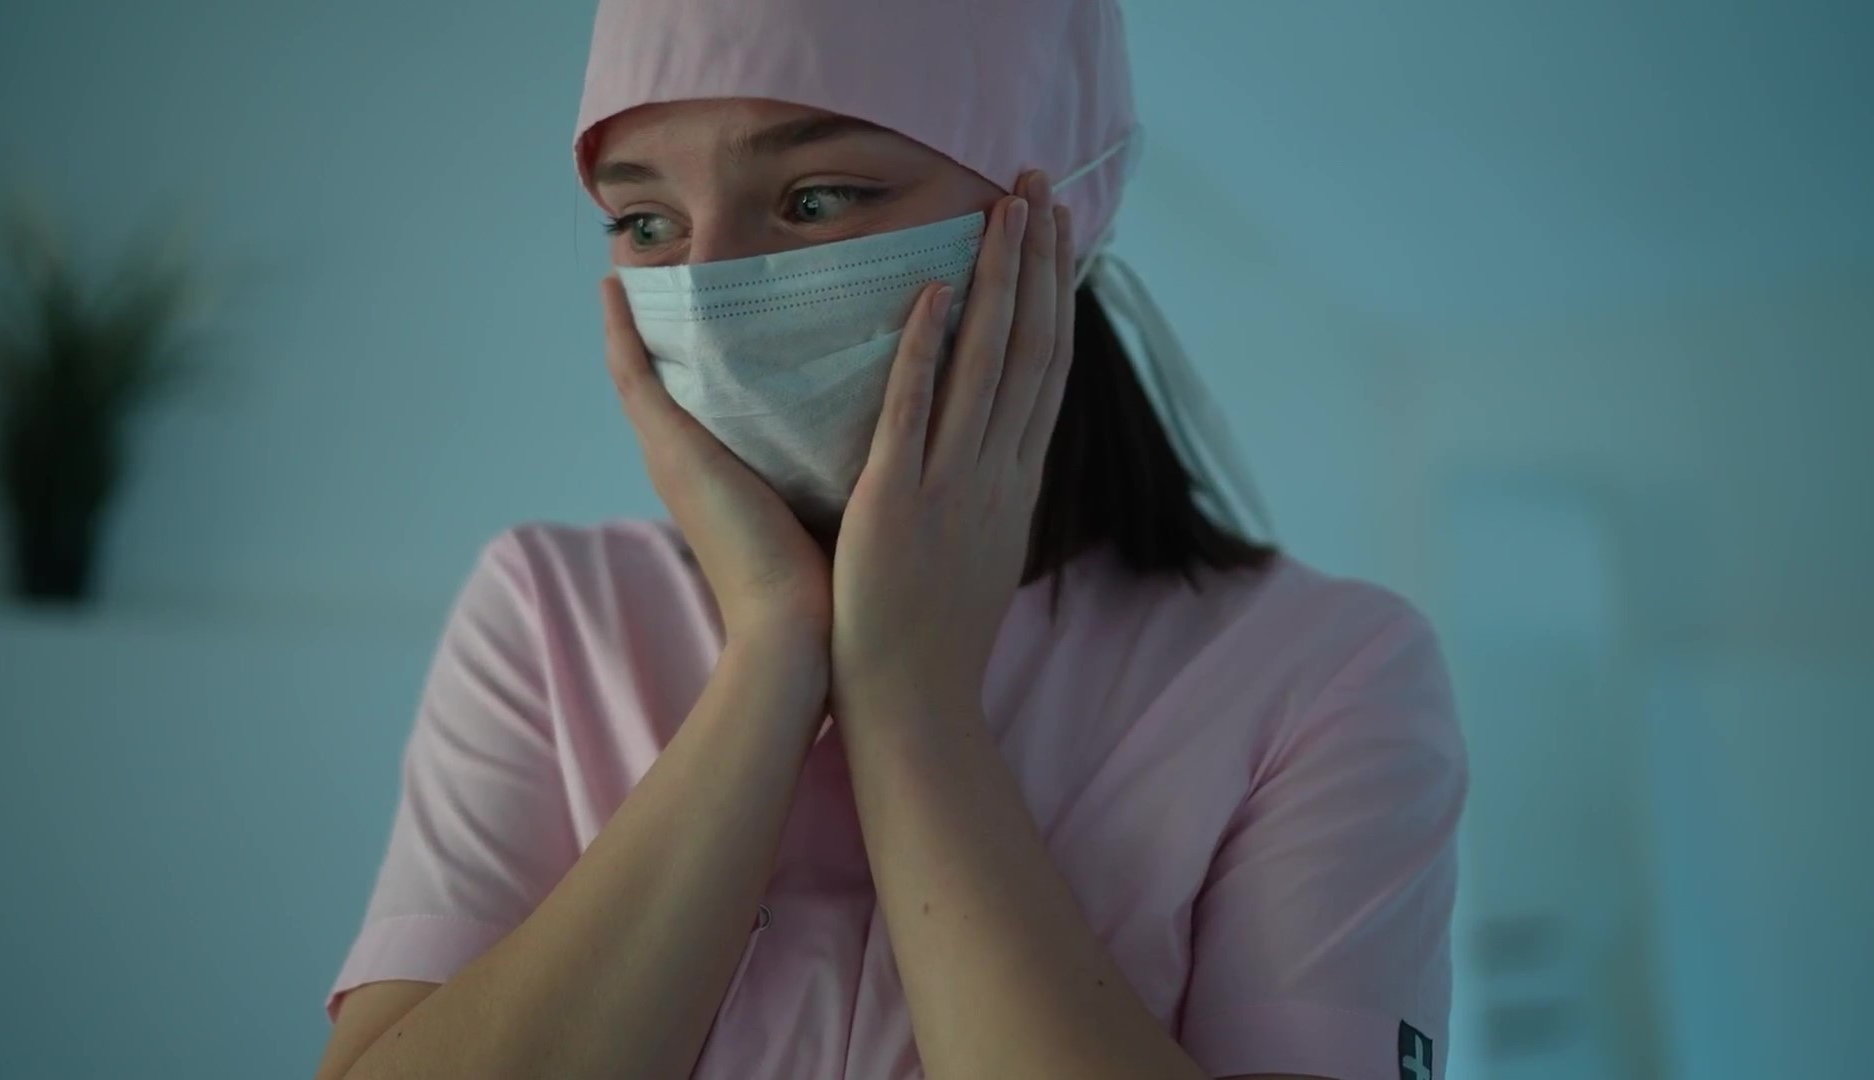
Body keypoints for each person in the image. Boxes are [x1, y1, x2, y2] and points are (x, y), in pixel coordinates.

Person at [314, 1, 1467, 1078]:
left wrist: (911, 699)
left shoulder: (1323, 675)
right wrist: (774, 648)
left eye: (818, 199)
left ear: (1054, 216)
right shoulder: (549, 611)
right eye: (646, 223)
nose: (708, 290)